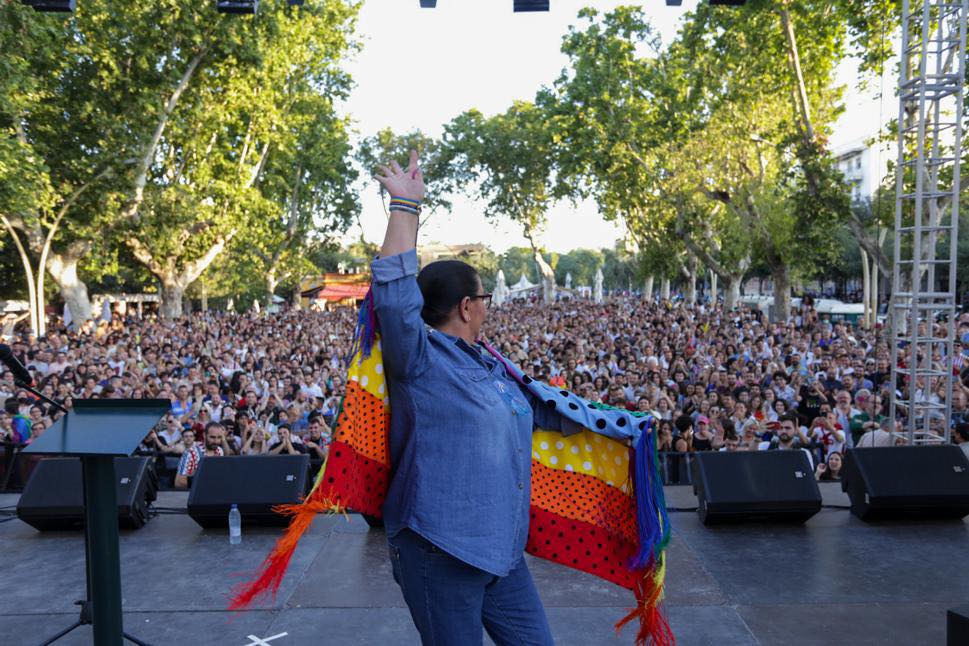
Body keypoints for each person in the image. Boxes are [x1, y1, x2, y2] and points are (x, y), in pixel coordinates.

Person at [372, 151, 553, 645]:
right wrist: (405, 208)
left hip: (502, 552)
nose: (489, 310)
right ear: (468, 306)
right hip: (441, 549)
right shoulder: (420, 361)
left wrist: (622, 426)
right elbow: (392, 296)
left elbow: (539, 413)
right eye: (487, 300)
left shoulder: (493, 364)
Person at [174, 422, 225, 489]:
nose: (216, 441)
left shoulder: (219, 451)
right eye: (212, 437)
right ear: (204, 435)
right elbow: (179, 483)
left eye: (219, 437)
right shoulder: (191, 453)